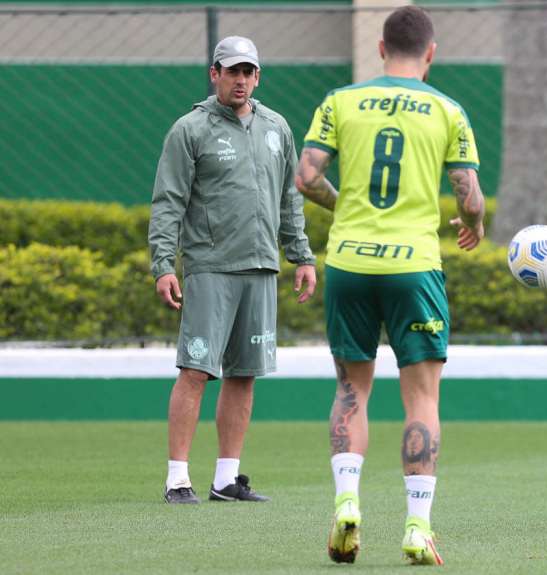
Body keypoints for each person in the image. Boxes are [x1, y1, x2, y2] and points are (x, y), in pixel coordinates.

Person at [295, 6, 484, 566]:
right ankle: (417, 527)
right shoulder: (447, 109)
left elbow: (306, 177)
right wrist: (474, 224)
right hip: (414, 266)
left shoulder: (340, 101)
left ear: (380, 49)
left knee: (351, 389)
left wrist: (344, 206)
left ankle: (347, 502)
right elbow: (469, 194)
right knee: (421, 397)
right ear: (431, 53)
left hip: (349, 262)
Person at [148, 35, 317, 505]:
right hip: (210, 266)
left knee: (244, 374)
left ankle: (226, 479)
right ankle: (177, 478)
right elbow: (168, 201)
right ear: (214, 74)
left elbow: (289, 198)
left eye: (248, 72)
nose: (240, 80)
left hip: (261, 266)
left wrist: (301, 255)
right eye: (232, 71)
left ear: (257, 77)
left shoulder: (277, 127)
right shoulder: (189, 129)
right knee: (196, 370)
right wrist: (163, 264)